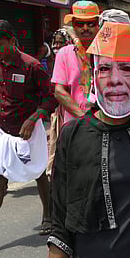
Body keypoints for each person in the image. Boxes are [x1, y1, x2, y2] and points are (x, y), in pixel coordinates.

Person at [47, 22, 130, 258]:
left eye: (127, 69)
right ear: (94, 77)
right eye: (105, 69)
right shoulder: (72, 135)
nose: (115, 79)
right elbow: (60, 218)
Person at [0, 20, 58, 235]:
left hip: (29, 130)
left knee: (39, 172)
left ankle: (49, 216)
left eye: (0, 44)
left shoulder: (32, 66)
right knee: (0, 177)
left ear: (12, 41)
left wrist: (34, 118)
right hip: (3, 131)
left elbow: (51, 98)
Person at [52, 1, 100, 124]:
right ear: (73, 25)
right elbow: (59, 91)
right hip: (75, 123)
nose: (85, 28)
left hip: (105, 122)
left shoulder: (106, 53)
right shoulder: (64, 54)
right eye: (80, 23)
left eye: (90, 23)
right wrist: (84, 118)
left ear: (98, 25)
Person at [46, 28, 73, 178]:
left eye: (60, 42)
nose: (56, 46)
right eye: (54, 42)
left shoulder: (72, 58)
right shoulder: (52, 60)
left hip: (69, 108)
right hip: (57, 108)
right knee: (55, 140)